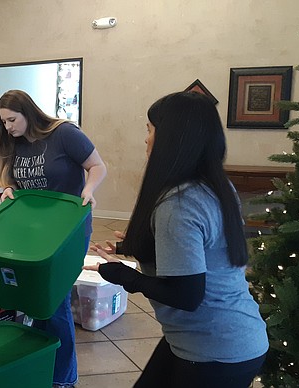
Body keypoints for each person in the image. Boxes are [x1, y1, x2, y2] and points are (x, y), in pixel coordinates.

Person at [85, 91, 268, 387]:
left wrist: (121, 274)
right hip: (231, 338)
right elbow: (206, 250)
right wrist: (135, 245)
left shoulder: (178, 203)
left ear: (171, 138)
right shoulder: (215, 187)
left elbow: (186, 295)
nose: (146, 139)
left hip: (215, 350)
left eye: (149, 130)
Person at [0, 89, 107, 388]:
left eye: (12, 120)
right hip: (33, 232)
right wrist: (6, 190)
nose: (8, 127)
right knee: (36, 302)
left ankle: (63, 378)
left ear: (28, 113)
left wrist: (89, 189)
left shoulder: (64, 134)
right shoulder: (12, 143)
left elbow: (98, 166)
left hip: (67, 232)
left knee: (53, 302)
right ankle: (42, 366)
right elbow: (6, 179)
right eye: (3, 122)